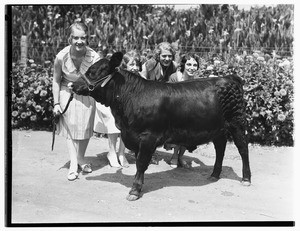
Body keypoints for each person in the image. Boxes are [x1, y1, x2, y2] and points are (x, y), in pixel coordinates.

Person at [52, 22, 100, 181]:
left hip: (87, 94)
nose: (79, 41)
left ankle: (81, 158)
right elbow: (56, 80)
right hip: (68, 92)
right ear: (70, 38)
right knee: (71, 128)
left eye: (83, 38)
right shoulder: (61, 56)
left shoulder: (94, 57)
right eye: (76, 38)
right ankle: (73, 164)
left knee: (86, 127)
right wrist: (56, 103)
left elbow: (98, 80)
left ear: (87, 39)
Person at [140, 42, 178, 164]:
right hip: (148, 97)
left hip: (163, 100)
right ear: (158, 55)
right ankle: (146, 153)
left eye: (169, 56)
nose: (167, 59)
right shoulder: (150, 65)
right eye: (164, 56)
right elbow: (141, 81)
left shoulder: (174, 66)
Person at [93, 52, 130, 168]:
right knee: (112, 119)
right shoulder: (104, 75)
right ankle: (112, 152)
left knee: (126, 119)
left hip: (121, 102)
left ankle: (122, 153)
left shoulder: (126, 74)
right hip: (106, 103)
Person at [166, 53, 200, 168]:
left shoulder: (196, 81)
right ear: (183, 65)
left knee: (189, 134)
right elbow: (168, 95)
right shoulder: (174, 77)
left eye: (195, 65)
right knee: (178, 132)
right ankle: (175, 156)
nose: (192, 67)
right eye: (189, 64)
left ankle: (181, 156)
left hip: (190, 112)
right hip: (174, 111)